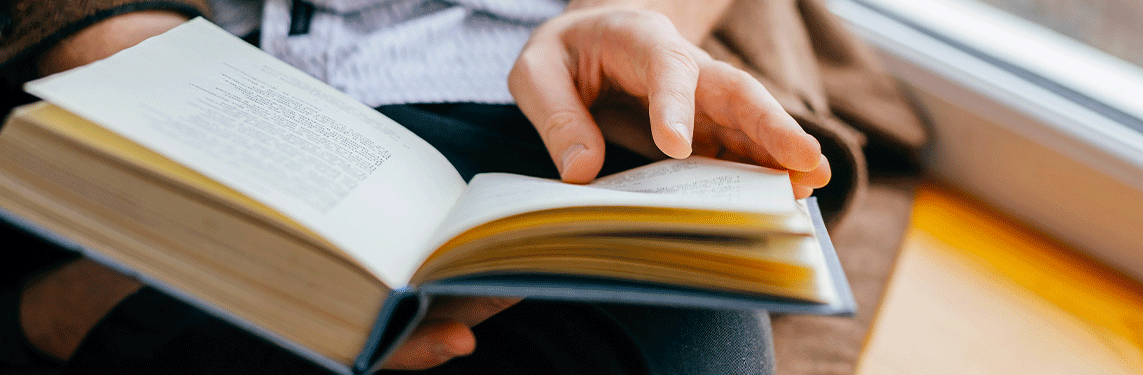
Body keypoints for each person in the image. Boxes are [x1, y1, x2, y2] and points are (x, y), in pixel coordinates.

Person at [0, 0, 832, 374]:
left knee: (691, 329)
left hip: (537, 90)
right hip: (214, 64)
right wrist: (144, 68)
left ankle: (100, 305)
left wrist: (625, 15)